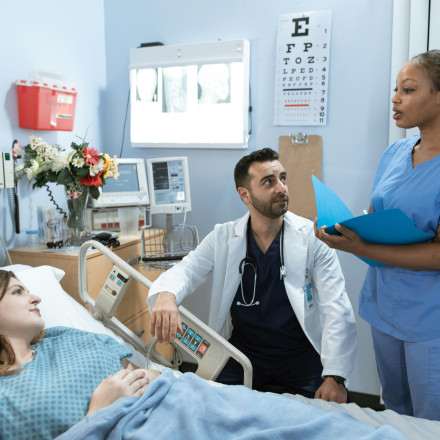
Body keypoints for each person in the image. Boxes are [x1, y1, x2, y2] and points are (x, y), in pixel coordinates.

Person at [148, 148, 357, 403]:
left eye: (283, 178)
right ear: (244, 194)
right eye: (269, 182)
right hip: (243, 354)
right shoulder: (224, 237)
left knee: (326, 414)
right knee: (210, 407)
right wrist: (166, 295)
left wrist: (335, 376)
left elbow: (337, 307)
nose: (281, 188)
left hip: (299, 355)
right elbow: (187, 270)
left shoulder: (313, 238)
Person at [314, 50, 440, 420]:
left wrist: (363, 246)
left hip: (429, 318)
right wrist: (347, 230)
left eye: (408, 90)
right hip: (385, 305)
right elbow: (377, 213)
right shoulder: (395, 152)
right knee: (395, 410)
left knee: (429, 419)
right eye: (396, 89)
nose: (395, 99)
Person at [0, 269, 161, 440]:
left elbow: (150, 375)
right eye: (16, 292)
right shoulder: (5, 393)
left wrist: (132, 386)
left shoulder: (63, 336)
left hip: (164, 405)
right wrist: (99, 413)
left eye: (28, 291)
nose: (36, 298)